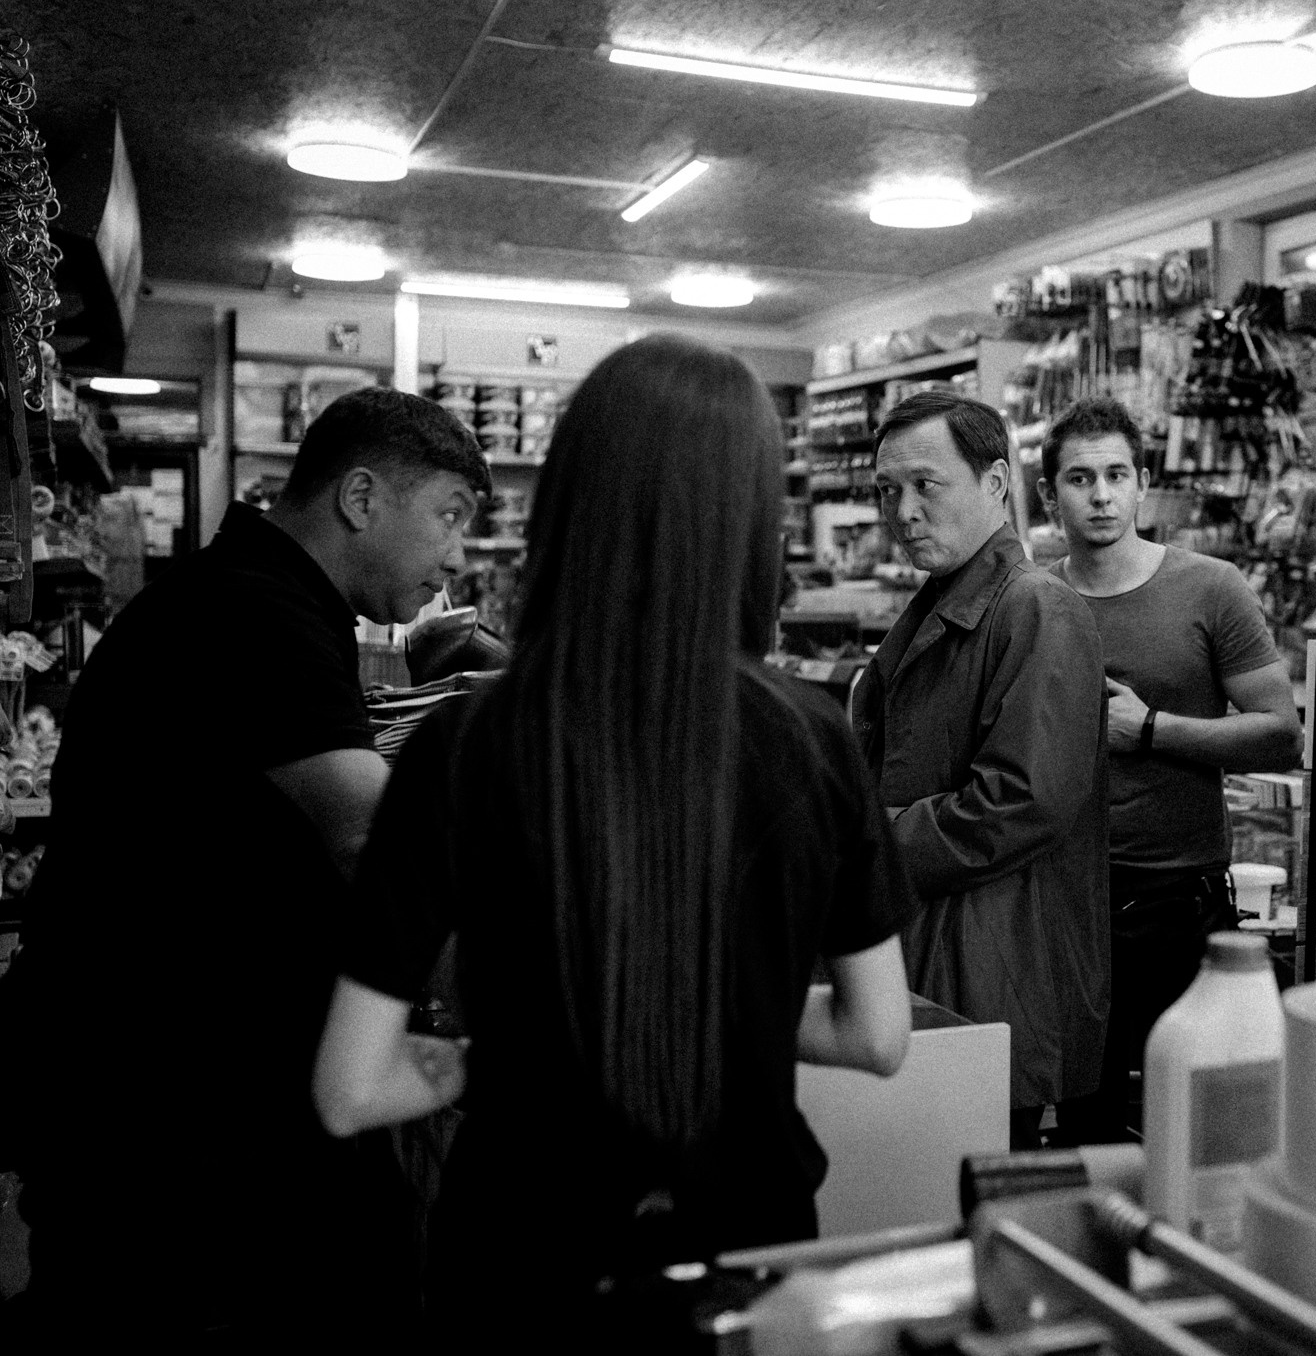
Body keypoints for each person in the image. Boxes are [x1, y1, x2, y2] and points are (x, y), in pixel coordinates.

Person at [312, 334, 914, 1337]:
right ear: (749, 523)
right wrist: (734, 1009)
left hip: (517, 1264)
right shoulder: (813, 737)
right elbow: (876, 1033)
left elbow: (348, 1087)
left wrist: (498, 1054)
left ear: (570, 503)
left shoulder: (464, 745)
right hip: (745, 1256)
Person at [0, 387, 488, 1341]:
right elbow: (372, 841)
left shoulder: (259, 599)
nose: (458, 555)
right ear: (359, 498)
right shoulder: (255, 612)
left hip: (169, 1103)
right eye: (449, 515)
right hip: (167, 1127)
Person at [1034, 398, 1301, 1143]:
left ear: (1143, 484)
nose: (1101, 495)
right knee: (1081, 1119)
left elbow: (1281, 736)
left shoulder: (1211, 588)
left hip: (1178, 898)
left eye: (1117, 474)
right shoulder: (1033, 599)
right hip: (1062, 898)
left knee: (1189, 1121)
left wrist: (1150, 728)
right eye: (1080, 478)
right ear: (1049, 493)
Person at [852, 391, 1111, 1148]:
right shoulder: (939, 607)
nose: (903, 511)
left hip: (996, 970)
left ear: (996, 483)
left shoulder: (1038, 609)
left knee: (977, 1190)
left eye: (925, 485)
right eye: (887, 490)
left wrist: (867, 842)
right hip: (930, 954)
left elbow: (1021, 802)